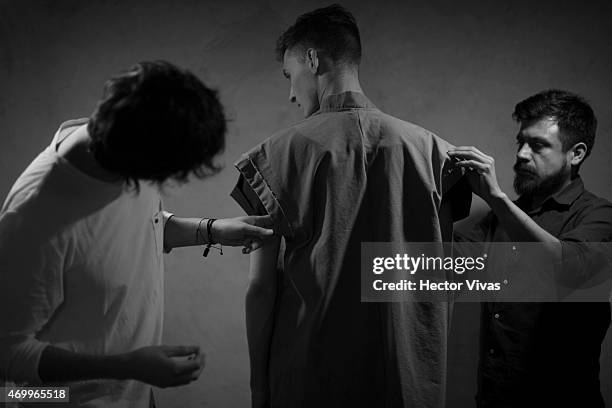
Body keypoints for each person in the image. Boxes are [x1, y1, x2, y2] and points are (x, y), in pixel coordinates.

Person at [230, 5, 471, 407]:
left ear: (312, 59)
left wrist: (258, 388)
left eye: (290, 77)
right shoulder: (436, 154)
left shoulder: (274, 157)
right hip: (407, 379)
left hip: (311, 376)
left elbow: (261, 290)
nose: (291, 94)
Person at [0, 60, 273, 407]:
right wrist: (125, 367)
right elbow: (6, 352)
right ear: (138, 163)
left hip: (136, 395)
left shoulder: (121, 142)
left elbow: (144, 226)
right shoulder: (33, 221)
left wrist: (213, 231)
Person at [450, 89, 612, 407]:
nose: (522, 154)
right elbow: (439, 269)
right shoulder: (494, 222)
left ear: (576, 154)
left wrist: (496, 198)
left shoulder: (600, 215)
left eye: (537, 145)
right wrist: (440, 197)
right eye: (521, 142)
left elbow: (570, 266)